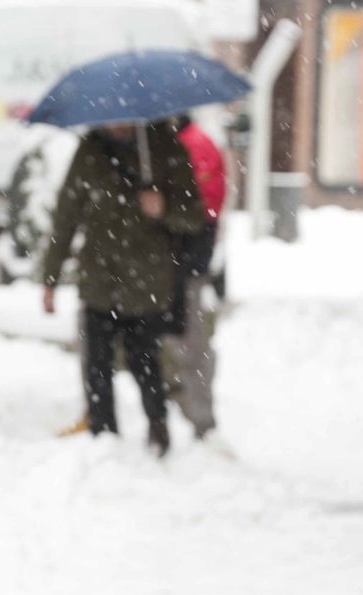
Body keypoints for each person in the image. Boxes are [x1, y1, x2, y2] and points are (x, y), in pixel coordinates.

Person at [41, 122, 205, 457]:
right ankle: (103, 437)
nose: (117, 126)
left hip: (147, 280)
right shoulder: (91, 150)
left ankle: (157, 427)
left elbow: (193, 216)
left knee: (145, 361)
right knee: (96, 365)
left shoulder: (164, 146)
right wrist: (50, 277)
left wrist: (164, 208)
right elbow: (67, 214)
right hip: (99, 278)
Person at [163, 113, 225, 440]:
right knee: (185, 340)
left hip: (184, 261)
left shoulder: (192, 146)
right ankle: (188, 405)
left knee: (190, 342)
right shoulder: (187, 142)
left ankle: (199, 416)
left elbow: (203, 206)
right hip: (181, 261)